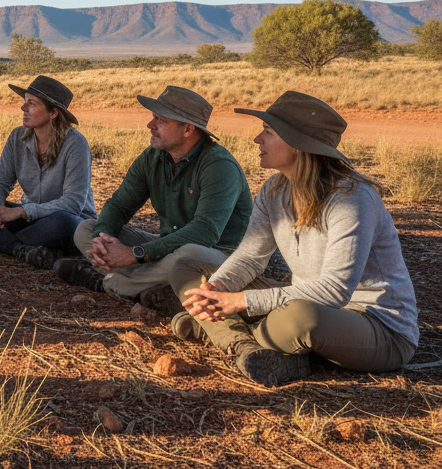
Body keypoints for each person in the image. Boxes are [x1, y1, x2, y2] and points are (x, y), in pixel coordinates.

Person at [170, 91, 417, 386]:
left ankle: (220, 331)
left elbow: (335, 292)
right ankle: (244, 344)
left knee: (300, 320)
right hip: (302, 300)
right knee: (187, 267)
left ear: (298, 145)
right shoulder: (275, 189)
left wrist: (239, 302)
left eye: (269, 132)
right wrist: (218, 288)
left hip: (374, 324)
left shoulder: (352, 199)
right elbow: (250, 256)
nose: (257, 140)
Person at [55, 86, 252, 315]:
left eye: (161, 120)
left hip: (218, 254)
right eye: (153, 117)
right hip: (168, 246)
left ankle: (109, 283)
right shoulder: (153, 156)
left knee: (188, 255)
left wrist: (136, 254)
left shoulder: (218, 166)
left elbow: (205, 232)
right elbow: (120, 204)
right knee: (85, 229)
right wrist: (102, 238)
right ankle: (152, 287)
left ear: (188, 129)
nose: (150, 125)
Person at [0, 76, 95, 268]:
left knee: (62, 222)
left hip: (66, 223)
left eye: (32, 103)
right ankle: (19, 249)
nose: (23, 108)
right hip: (30, 222)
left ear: (53, 112)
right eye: (25, 101)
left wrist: (20, 211)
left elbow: (73, 204)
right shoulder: (17, 137)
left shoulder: (75, 144)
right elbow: (0, 182)